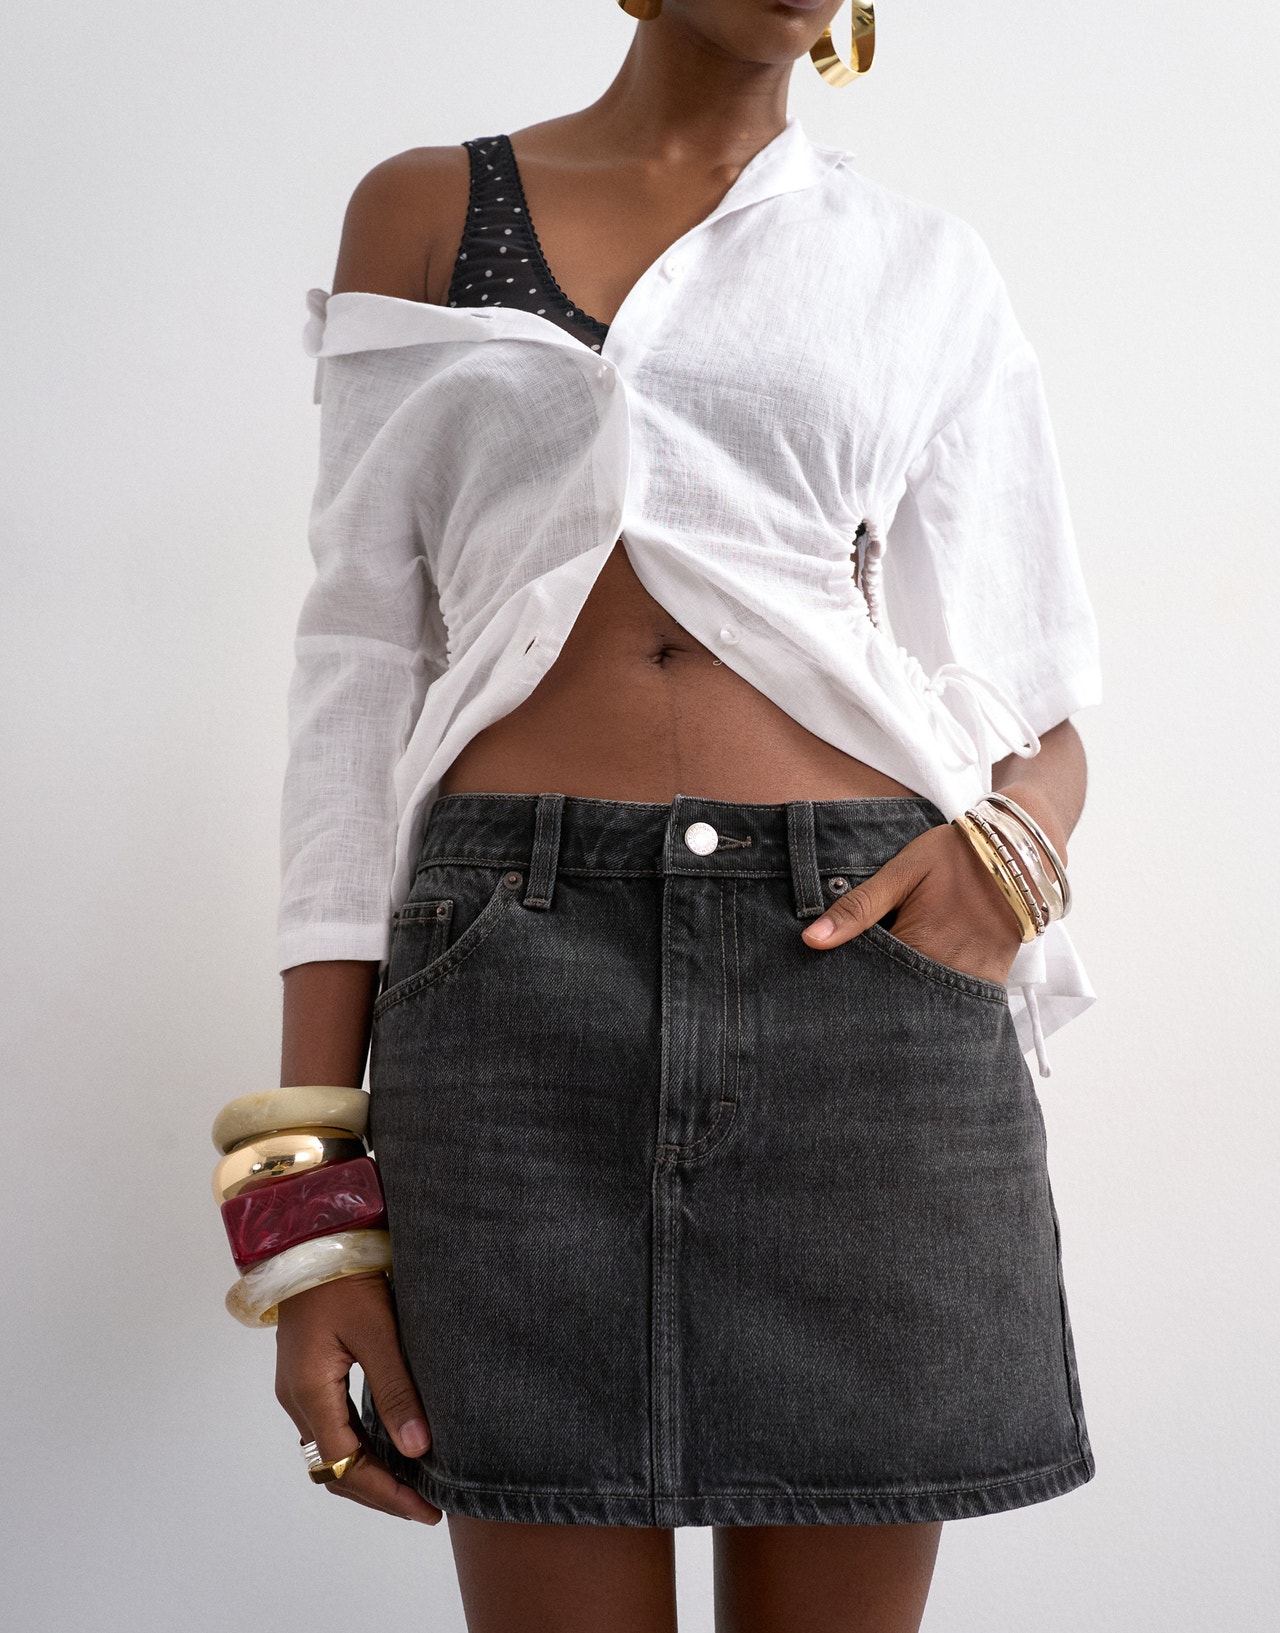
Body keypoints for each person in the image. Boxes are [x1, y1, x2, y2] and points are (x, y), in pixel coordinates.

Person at [265, 4, 1101, 1628]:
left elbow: (1041, 691)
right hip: (509, 992)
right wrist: (302, 1215)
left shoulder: (918, 264)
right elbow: (359, 659)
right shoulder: (428, 209)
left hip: (861, 985)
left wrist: (1003, 866)